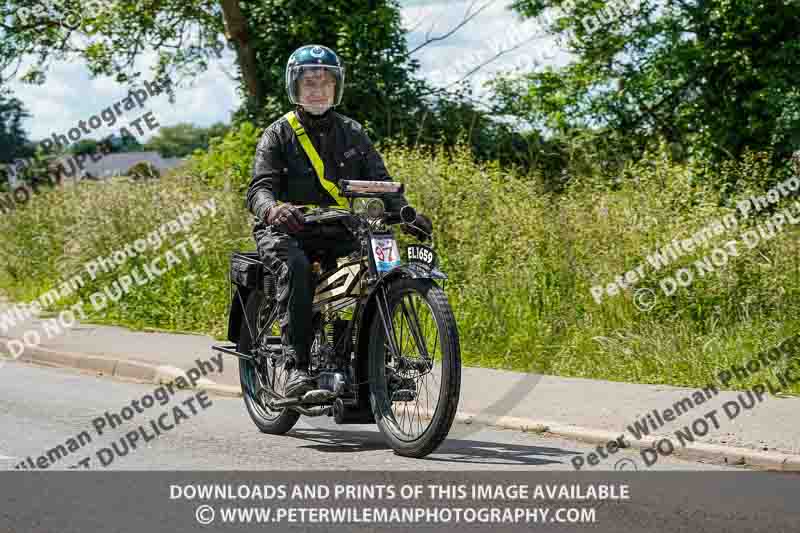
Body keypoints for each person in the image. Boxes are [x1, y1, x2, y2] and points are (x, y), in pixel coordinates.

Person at [246, 44, 433, 398]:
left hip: (338, 228)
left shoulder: (353, 132)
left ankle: (373, 362)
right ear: (295, 89)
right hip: (289, 230)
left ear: (336, 88)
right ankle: (297, 367)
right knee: (297, 269)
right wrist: (273, 209)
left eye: (325, 83)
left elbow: (381, 182)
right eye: (309, 84)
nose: (318, 91)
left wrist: (406, 213)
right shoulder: (278, 133)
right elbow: (259, 188)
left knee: (379, 268)